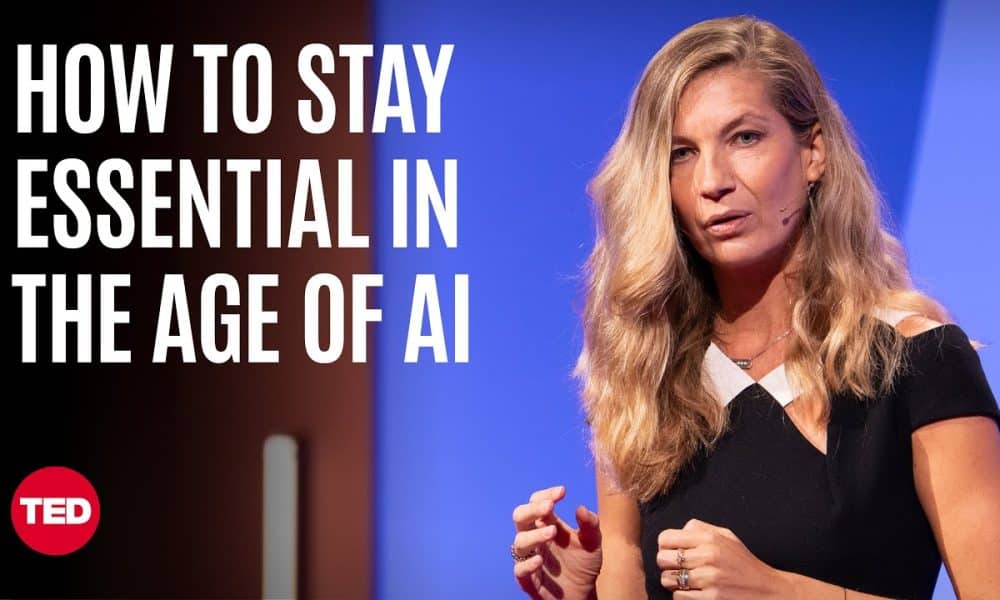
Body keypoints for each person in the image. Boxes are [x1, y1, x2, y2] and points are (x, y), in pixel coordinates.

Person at [510, 15, 1000, 600]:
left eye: (744, 138)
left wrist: (778, 591)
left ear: (813, 152)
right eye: (681, 153)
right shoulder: (640, 379)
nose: (712, 180)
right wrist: (586, 592)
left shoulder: (919, 363)